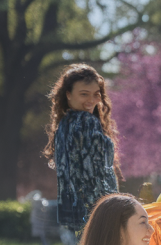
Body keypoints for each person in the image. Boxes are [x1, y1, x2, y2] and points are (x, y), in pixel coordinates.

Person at [44, 64, 124, 233]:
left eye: (96, 94)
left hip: (73, 214)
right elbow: (96, 176)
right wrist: (115, 208)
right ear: (68, 94)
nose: (91, 100)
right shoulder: (87, 122)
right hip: (97, 212)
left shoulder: (63, 125)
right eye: (84, 94)